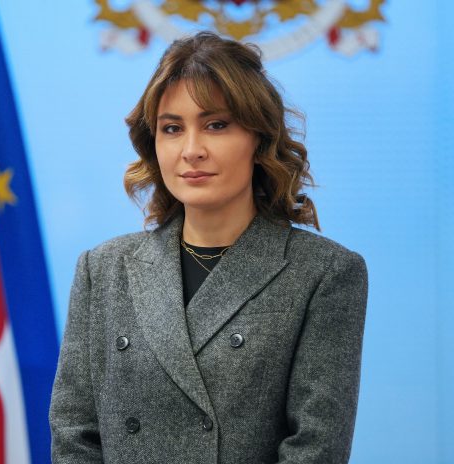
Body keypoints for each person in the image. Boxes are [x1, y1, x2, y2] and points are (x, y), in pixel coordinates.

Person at [49, 31, 368, 464]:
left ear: (259, 139)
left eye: (216, 125)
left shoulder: (324, 273)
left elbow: (316, 448)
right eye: (172, 129)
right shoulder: (103, 268)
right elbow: (74, 436)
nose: (191, 150)